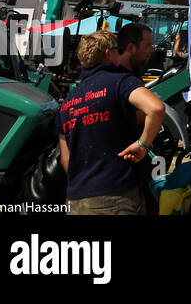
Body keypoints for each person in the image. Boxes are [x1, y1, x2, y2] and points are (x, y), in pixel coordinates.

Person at [56, 30, 165, 214]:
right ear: (109, 54)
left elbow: (66, 158)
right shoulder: (120, 82)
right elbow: (156, 108)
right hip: (116, 196)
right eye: (117, 50)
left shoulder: (67, 102)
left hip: (76, 200)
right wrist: (142, 145)